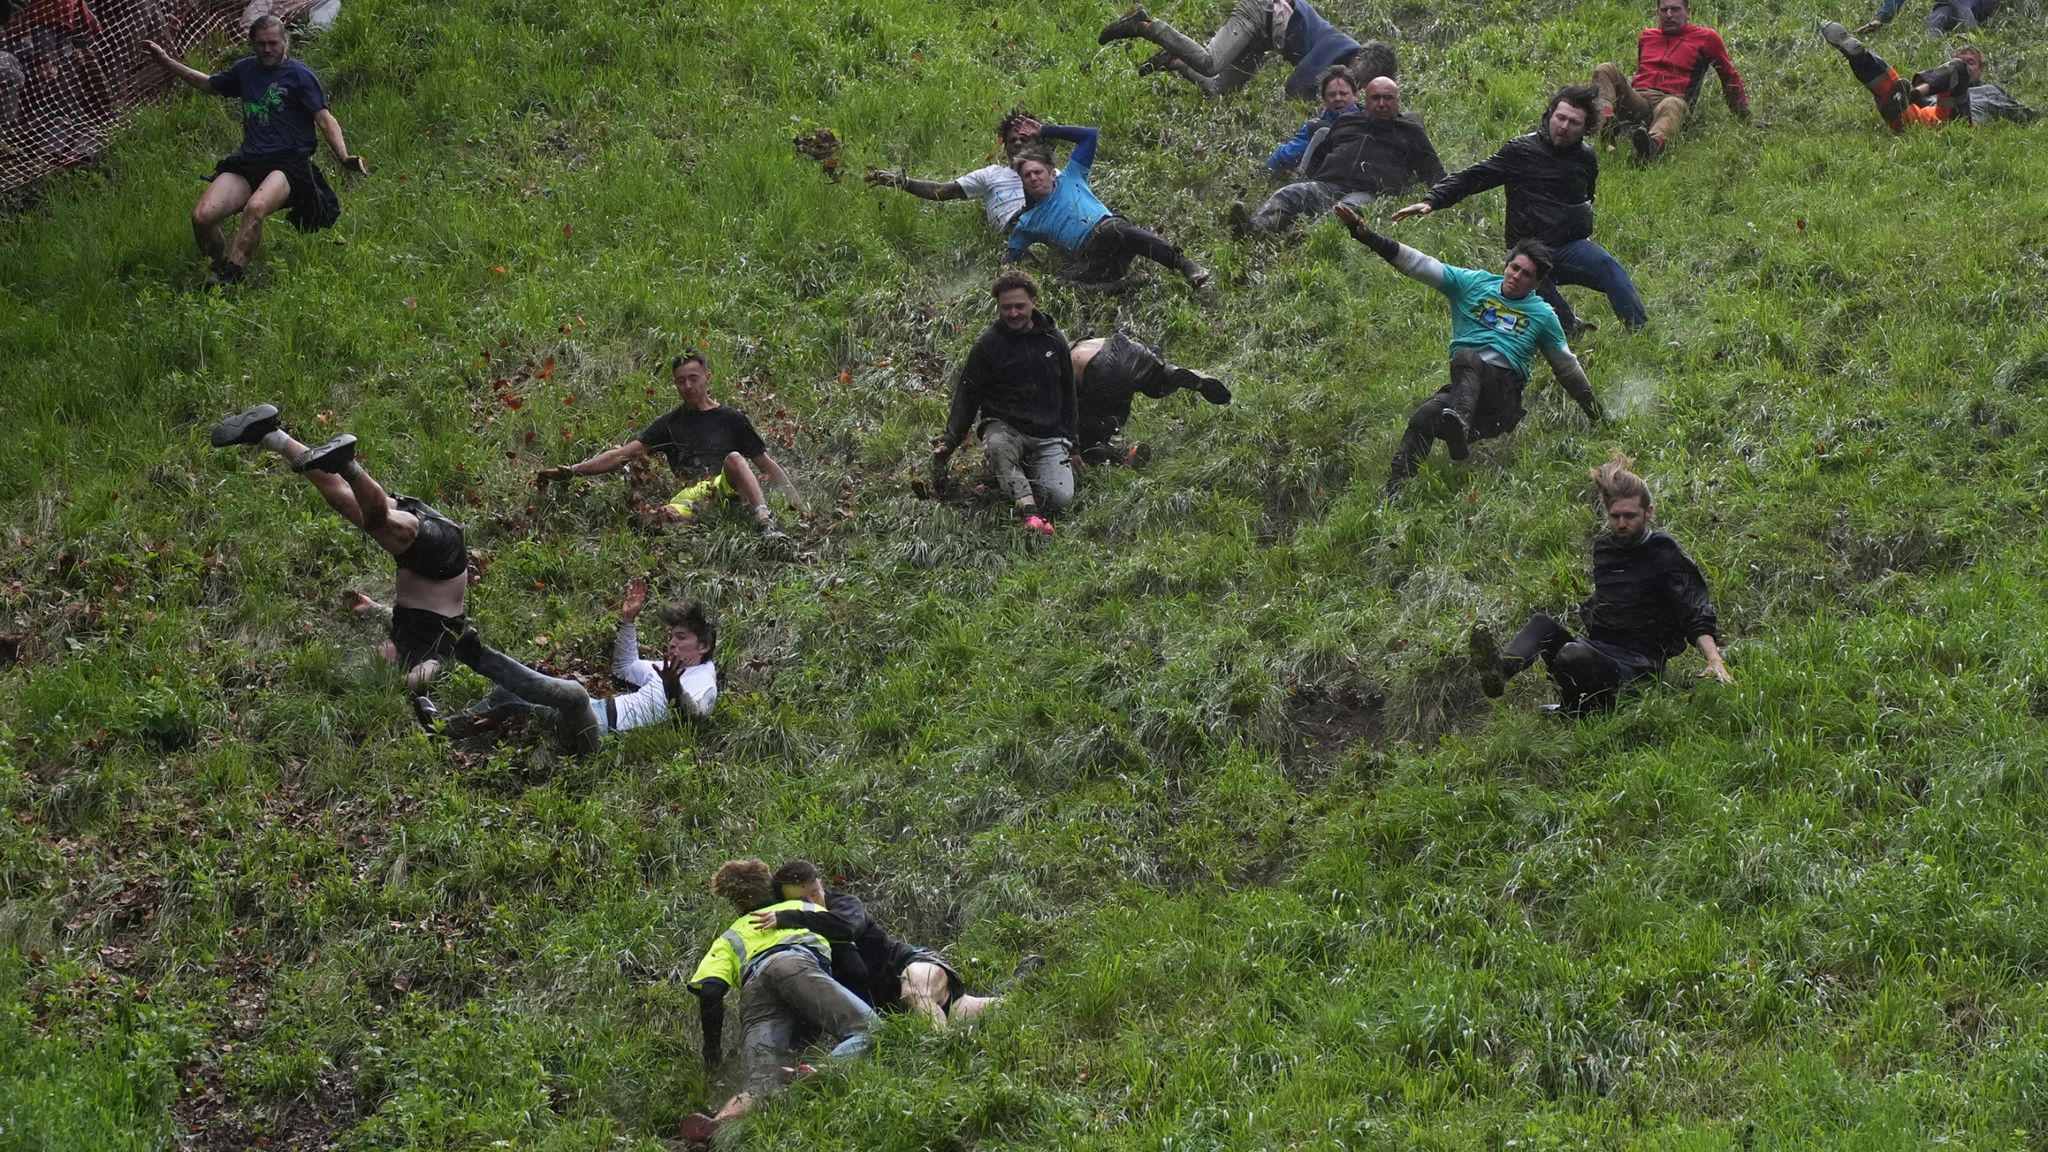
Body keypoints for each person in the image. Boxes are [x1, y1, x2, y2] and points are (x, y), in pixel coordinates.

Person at [208, 404, 467, 728]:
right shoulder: (436, 655)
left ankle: (270, 434)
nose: (377, 655)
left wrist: (371, 609)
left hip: (428, 551)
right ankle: (347, 463)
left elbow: (404, 617)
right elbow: (420, 679)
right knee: (378, 522)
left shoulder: (403, 633)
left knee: (343, 500)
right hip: (440, 560)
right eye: (381, 661)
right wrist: (401, 689)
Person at [1333, 204, 1602, 496]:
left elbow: (1566, 366)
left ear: (1536, 283)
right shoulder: (1472, 284)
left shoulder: (1542, 314)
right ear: (1506, 264)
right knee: (1423, 417)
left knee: (1467, 356)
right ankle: (1395, 493)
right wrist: (1365, 235)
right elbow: (1419, 264)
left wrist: (1596, 412)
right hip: (1464, 391)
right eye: (1514, 267)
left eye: (1526, 274)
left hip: (1501, 398)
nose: (1515, 276)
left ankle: (1458, 423)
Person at [1469, 450, 1729, 713]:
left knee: (1572, 655)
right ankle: (1500, 674)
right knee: (1542, 626)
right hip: (1598, 649)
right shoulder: (1604, 549)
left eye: (1630, 516)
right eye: (1615, 516)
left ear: (1649, 511)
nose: (1622, 523)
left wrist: (1714, 659)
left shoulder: (1665, 550)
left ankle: (1572, 711)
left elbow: (1695, 608)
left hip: (1638, 666)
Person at [1394, 84, 1646, 335]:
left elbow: (1587, 196)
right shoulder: (1522, 150)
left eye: (1574, 123)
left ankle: (1639, 331)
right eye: (1560, 118)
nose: (1564, 127)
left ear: (1585, 128)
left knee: (1607, 266)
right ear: (1549, 114)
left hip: (1569, 246)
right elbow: (1474, 176)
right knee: (1530, 275)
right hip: (1527, 248)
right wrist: (1433, 199)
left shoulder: (1586, 157)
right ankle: (1570, 330)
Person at [144, 16, 363, 284]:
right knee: (202, 217)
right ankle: (216, 266)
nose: (267, 49)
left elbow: (326, 120)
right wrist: (167, 61)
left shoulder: (301, 76)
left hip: (289, 164)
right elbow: (208, 84)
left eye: (273, 43)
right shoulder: (245, 71)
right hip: (249, 162)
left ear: (285, 42)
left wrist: (344, 157)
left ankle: (230, 278)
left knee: (255, 207)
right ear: (253, 44)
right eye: (261, 44)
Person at [678, 859, 877, 1145]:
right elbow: (850, 957)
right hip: (795, 966)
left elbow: (710, 993)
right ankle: (818, 1073)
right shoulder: (804, 908)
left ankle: (720, 1123)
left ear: (734, 903)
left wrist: (712, 1052)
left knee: (759, 1081)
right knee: (868, 1029)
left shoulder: (729, 936)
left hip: (754, 989)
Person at [537, 352, 807, 549]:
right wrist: (572, 471)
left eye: (693, 378)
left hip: (725, 487)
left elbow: (764, 464)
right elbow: (622, 455)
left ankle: (765, 525)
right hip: (690, 496)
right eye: (680, 381)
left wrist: (797, 503)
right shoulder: (670, 423)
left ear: (707, 378)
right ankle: (694, 529)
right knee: (646, 518)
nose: (688, 386)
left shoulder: (732, 418)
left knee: (735, 459)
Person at [429, 576, 717, 751]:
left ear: (702, 646)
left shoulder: (704, 680)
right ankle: (442, 730)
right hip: (599, 711)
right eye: (671, 636)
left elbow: (697, 716)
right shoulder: (665, 668)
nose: (672, 643)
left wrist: (674, 688)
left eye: (681, 637)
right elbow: (624, 667)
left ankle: (479, 656)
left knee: (574, 694)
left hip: (605, 736)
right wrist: (628, 620)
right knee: (510, 693)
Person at [754, 860, 1012, 1029]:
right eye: (802, 900)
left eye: (814, 893)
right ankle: (1021, 979)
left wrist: (789, 917)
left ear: (821, 884)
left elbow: (845, 928)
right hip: (895, 1007)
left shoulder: (844, 905)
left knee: (914, 993)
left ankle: (942, 1053)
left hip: (911, 964)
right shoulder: (793, 938)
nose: (814, 903)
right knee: (999, 1008)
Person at [933, 269, 1076, 536]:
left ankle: (1019, 473)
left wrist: (1074, 445)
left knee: (1060, 499)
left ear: (1034, 301)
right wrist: (949, 441)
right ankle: (1029, 514)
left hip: (1049, 435)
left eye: (1019, 306)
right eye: (1006, 307)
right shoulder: (988, 345)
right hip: (1005, 426)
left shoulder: (1054, 340)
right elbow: (967, 395)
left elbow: (1069, 393)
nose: (1013, 313)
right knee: (999, 446)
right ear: (998, 306)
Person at [1005, 124, 1209, 288]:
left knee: (1114, 228)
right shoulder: (1026, 223)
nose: (1033, 177)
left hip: (1108, 232)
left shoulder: (1071, 177)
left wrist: (1046, 130)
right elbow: (1009, 263)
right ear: (1022, 182)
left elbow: (1089, 136)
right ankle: (1128, 284)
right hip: (1090, 260)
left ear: (1051, 173)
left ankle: (1183, 263)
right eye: (1027, 175)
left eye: (1037, 172)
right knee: (1058, 284)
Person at [1238, 72, 1443, 235]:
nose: (1381, 103)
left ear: (1397, 101)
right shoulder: (1346, 122)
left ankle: (1307, 238)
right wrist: (1310, 180)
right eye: (1376, 98)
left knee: (1345, 210)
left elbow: (1433, 171)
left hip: (1370, 193)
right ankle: (1253, 229)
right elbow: (1320, 156)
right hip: (1328, 185)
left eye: (1388, 98)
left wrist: (1437, 199)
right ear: (1366, 99)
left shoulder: (1410, 131)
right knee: (1290, 193)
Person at [1098, 0, 1395, 102]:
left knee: (1218, 90)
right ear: (1360, 58)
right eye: (1365, 78)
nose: (1360, 85)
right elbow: (1294, 87)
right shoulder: (1336, 47)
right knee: (1210, 62)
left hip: (1265, 39)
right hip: (1260, 11)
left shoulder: (1342, 64)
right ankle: (1145, 25)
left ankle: (1173, 59)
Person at [1590, 0, 1749, 164]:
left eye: (1675, 9)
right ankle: (1606, 124)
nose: (1669, 15)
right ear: (1657, 12)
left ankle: (1651, 146)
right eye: (1664, 10)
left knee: (1671, 104)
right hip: (1640, 99)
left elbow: (1729, 76)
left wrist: (1743, 114)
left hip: (1673, 101)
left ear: (1688, 11)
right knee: (1605, 68)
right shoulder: (1647, 36)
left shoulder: (1707, 38)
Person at [863, 108, 1064, 237]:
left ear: (1038, 141)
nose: (1018, 143)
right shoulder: (991, 175)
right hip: (1011, 233)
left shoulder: (1053, 173)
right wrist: (901, 181)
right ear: (1004, 149)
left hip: (1049, 228)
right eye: (1012, 141)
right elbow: (942, 191)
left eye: (1024, 138)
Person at [1818, 24, 2029, 130]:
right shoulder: (1941, 85)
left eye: (1970, 62)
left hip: (1963, 122)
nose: (1966, 65)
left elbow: (2020, 112)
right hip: (1928, 118)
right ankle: (1860, 57)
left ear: (1982, 68)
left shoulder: (1990, 90)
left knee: (1952, 72)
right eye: (1961, 60)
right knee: (1888, 89)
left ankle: (1908, 94)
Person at [1072, 331, 1231, 467]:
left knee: (1089, 440)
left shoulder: (1054, 366)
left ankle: (1125, 456)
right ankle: (1174, 375)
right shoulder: (1070, 344)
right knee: (1157, 380)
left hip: (1103, 371)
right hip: (1126, 348)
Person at [1263, 63, 1357, 175]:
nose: (1338, 98)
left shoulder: (1369, 119)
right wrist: (1266, 171)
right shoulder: (1315, 127)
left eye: (1343, 93)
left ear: (1355, 95)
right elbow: (1289, 153)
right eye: (1332, 95)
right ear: (1324, 101)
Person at [1855, 0, 1994, 36]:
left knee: (1961, 7)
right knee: (1933, 25)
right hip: (1946, 6)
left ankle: (1971, 36)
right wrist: (1881, 19)